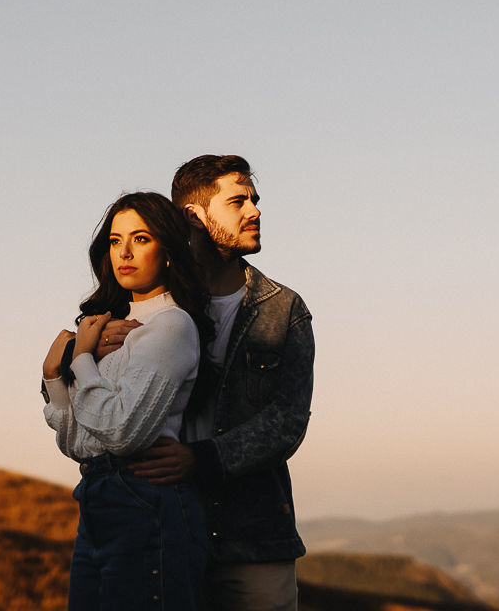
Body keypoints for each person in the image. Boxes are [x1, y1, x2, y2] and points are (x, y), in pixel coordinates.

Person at [102, 155, 314, 611]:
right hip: (163, 527)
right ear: (193, 216)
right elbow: (90, 398)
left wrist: (200, 459)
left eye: (254, 201)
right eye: (238, 201)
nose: (254, 211)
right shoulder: (147, 302)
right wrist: (71, 356)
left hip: (254, 539)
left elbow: (288, 421)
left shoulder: (284, 309)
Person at [41, 191, 213, 610]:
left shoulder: (171, 325)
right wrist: (53, 372)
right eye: (116, 241)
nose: (125, 252)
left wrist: (79, 356)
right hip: (95, 499)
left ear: (169, 251)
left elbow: (120, 433)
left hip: (146, 502)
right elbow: (76, 444)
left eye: (140, 239)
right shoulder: (105, 330)